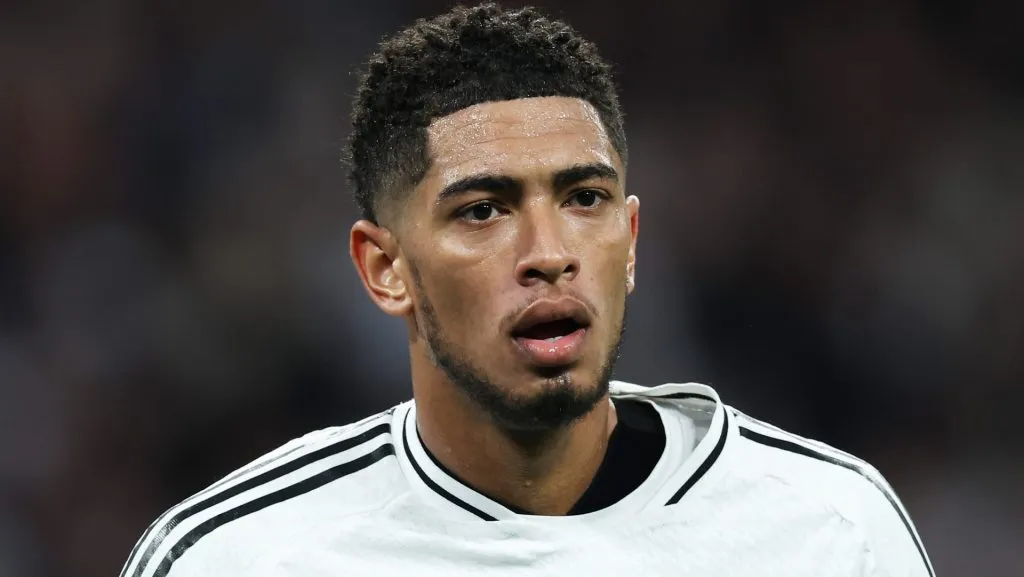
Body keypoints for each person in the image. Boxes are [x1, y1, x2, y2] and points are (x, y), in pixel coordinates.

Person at [120, 4, 934, 576]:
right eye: (483, 210)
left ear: (632, 242)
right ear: (384, 269)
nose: (549, 253)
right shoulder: (239, 557)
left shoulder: (833, 530)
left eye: (585, 199)